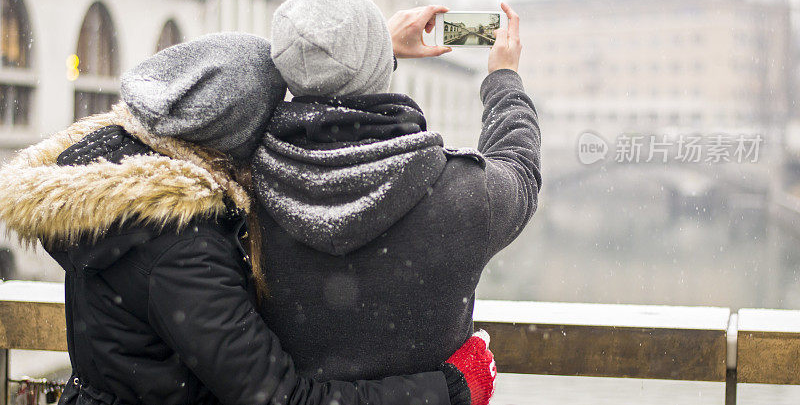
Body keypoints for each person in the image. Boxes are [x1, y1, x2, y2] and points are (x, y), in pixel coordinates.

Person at [0, 32, 496, 405]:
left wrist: (370, 43)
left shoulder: (113, 169)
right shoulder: (180, 254)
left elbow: (226, 88)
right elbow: (282, 397)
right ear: (237, 139)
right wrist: (450, 387)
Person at [248, 0, 541, 382]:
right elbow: (520, 169)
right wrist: (503, 79)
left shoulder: (244, 186)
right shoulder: (460, 195)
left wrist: (362, 50)